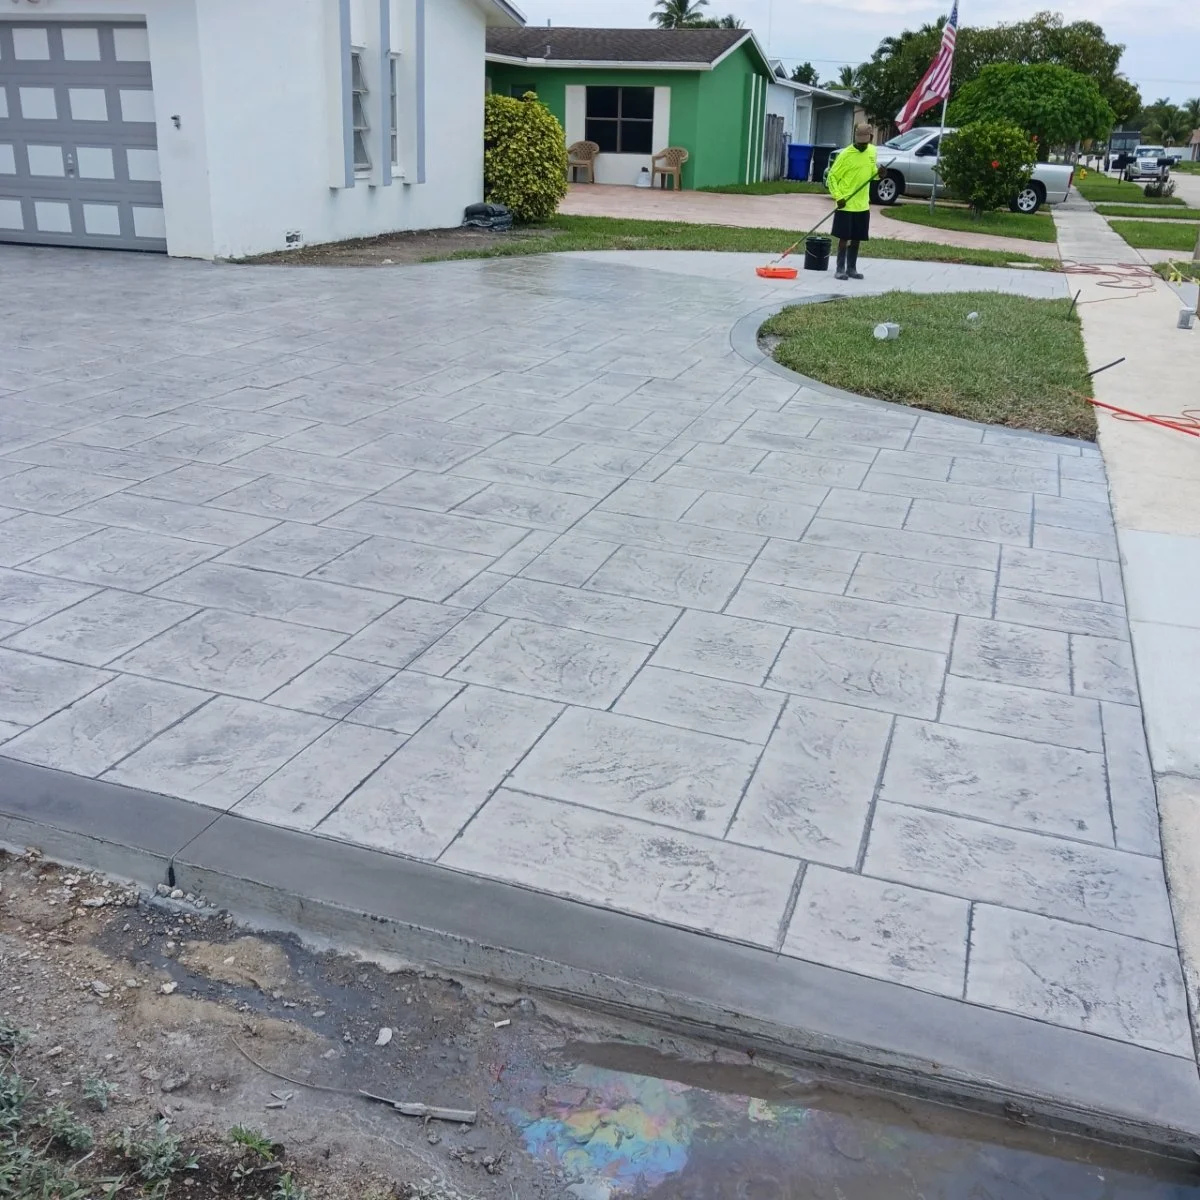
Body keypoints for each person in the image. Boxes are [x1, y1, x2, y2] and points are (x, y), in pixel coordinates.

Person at [826, 123, 887, 281]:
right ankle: (840, 269)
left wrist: (880, 174)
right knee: (844, 237)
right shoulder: (846, 154)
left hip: (862, 204)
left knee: (857, 237)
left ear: (871, 139)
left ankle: (851, 268)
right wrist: (838, 197)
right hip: (845, 203)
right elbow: (832, 177)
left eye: (865, 143)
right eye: (859, 142)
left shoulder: (872, 151)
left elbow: (871, 174)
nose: (862, 146)